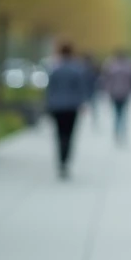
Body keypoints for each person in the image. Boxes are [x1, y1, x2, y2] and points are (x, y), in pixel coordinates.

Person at [44, 42, 88, 180]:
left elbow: (50, 89)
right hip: (71, 106)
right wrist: (82, 103)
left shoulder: (54, 69)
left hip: (57, 106)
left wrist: (48, 105)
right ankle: (66, 160)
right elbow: (81, 88)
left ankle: (61, 161)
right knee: (69, 135)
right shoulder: (77, 69)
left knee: (59, 134)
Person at [101, 50, 131, 145]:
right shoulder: (128, 67)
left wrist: (108, 91)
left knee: (116, 114)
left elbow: (107, 81)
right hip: (125, 93)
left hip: (114, 93)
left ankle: (117, 132)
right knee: (123, 113)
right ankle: (122, 132)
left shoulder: (111, 67)